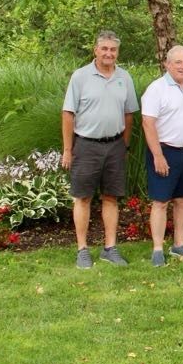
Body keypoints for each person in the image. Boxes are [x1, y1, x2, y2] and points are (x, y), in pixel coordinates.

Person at [61, 30, 139, 269]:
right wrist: (67, 149)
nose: (109, 53)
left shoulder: (124, 77)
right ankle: (82, 250)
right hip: (86, 145)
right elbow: (68, 114)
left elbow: (129, 113)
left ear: (117, 52)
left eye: (113, 49)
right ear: (95, 50)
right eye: (104, 48)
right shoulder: (81, 77)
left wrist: (124, 144)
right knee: (83, 197)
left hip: (115, 146)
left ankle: (110, 248)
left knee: (111, 197)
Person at [141, 45, 183, 267]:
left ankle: (179, 244)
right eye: (178, 62)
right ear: (167, 64)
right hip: (164, 151)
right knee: (161, 201)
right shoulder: (156, 89)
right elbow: (148, 123)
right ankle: (158, 249)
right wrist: (158, 155)